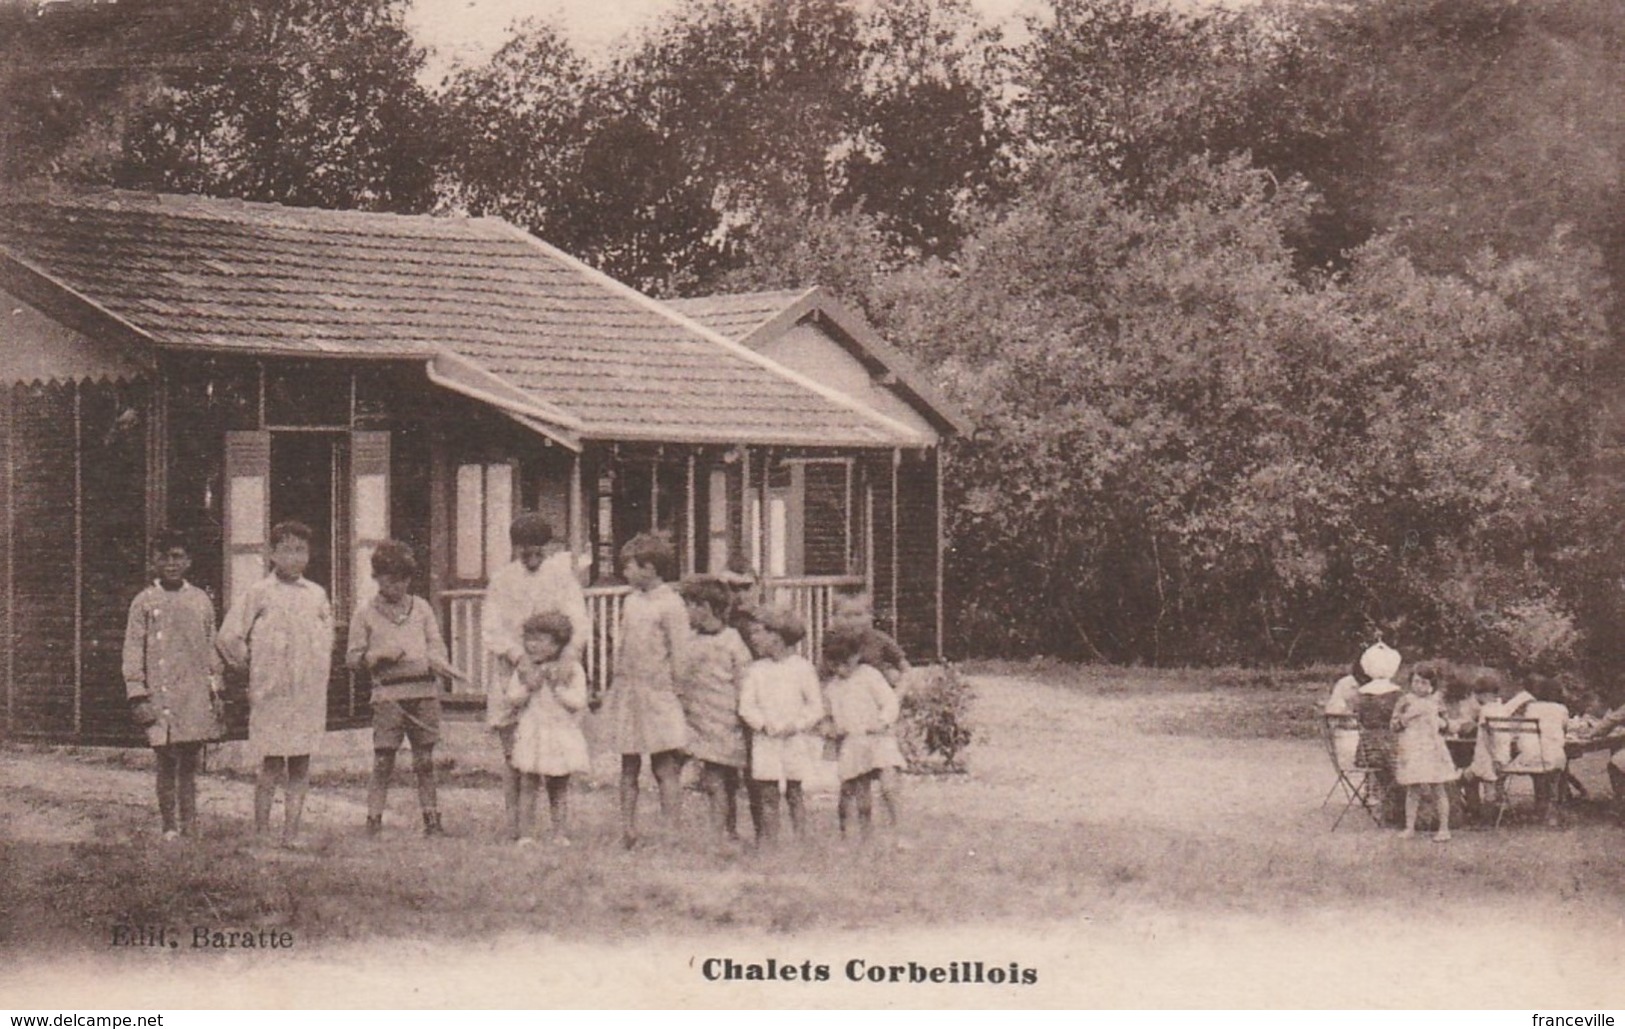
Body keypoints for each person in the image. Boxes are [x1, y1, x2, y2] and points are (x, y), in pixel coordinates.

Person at [217, 520, 334, 847]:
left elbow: (327, 639)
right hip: (271, 692)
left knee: (300, 761)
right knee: (270, 762)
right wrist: (246, 665)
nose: (295, 557)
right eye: (287, 550)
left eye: (301, 550)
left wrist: (315, 670)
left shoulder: (316, 594)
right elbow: (228, 636)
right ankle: (262, 832)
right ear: (272, 554)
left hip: (306, 693)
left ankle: (291, 834)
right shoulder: (259, 593)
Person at [481, 512, 590, 841]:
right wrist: (518, 658)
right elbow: (491, 628)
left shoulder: (561, 578)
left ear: (548, 549)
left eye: (538, 552)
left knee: (551, 755)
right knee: (514, 752)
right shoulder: (502, 580)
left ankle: (558, 828)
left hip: (552, 673)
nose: (531, 559)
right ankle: (517, 826)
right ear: (515, 549)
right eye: (524, 552)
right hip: (513, 671)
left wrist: (569, 656)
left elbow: (579, 623)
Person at [346, 540, 465, 838]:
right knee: (384, 760)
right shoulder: (365, 614)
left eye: (403, 579)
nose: (398, 585)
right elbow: (352, 659)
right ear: (377, 577)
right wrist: (377, 656)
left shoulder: (422, 608)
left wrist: (440, 664)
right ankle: (373, 821)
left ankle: (432, 820)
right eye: (390, 578)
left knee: (425, 760)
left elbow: (436, 647)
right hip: (388, 697)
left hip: (423, 693)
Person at [122, 528, 224, 840]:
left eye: (177, 556)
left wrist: (216, 690)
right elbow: (133, 649)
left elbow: (211, 648)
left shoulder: (200, 601)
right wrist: (137, 693)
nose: (170, 563)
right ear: (153, 561)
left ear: (188, 561)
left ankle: (189, 823)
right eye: (163, 557)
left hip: (192, 694)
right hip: (160, 694)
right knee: (165, 761)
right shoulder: (144, 602)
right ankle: (169, 825)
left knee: (189, 763)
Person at [602, 532, 690, 848]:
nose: (625, 574)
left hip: (658, 694)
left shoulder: (671, 604)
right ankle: (628, 829)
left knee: (664, 765)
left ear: (650, 568)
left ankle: (672, 832)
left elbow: (680, 654)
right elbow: (623, 646)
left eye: (630, 567)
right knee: (628, 764)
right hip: (629, 691)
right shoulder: (631, 601)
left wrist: (677, 692)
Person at [676, 576, 754, 841]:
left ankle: (722, 831)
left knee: (720, 779)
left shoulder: (732, 641)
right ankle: (723, 830)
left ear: (705, 608)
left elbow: (744, 680)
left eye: (688, 606)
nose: (684, 613)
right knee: (712, 779)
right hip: (698, 721)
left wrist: (745, 715)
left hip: (725, 723)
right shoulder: (690, 641)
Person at [738, 605, 824, 842]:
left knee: (795, 791)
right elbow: (746, 707)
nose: (753, 638)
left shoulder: (802, 668)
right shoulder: (756, 670)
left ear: (776, 636)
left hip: (794, 740)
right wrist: (763, 725)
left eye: (758, 632)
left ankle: (800, 840)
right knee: (768, 793)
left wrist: (796, 725)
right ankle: (771, 842)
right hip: (766, 740)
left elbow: (815, 707)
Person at [504, 612, 590, 847]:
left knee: (558, 785)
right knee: (528, 783)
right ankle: (526, 835)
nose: (533, 645)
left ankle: (559, 833)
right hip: (533, 731)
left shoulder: (571, 669)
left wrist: (558, 688)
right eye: (529, 639)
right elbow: (512, 698)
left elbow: (578, 701)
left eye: (540, 640)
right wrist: (528, 688)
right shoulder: (525, 669)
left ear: (558, 644)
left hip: (559, 733)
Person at [821, 624, 905, 839]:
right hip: (853, 742)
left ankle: (897, 830)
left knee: (888, 785)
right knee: (857, 793)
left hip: (878, 738)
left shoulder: (869, 676)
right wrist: (831, 728)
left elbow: (890, 703)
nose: (841, 670)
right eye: (834, 665)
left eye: (845, 663)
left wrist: (883, 721)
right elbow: (828, 718)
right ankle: (856, 834)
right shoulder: (832, 687)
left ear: (856, 656)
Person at [1391, 660, 1456, 841]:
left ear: (1432, 685)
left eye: (1424, 682)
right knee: (1413, 787)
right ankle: (1409, 827)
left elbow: (1448, 726)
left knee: (1438, 787)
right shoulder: (1405, 701)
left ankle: (1444, 828)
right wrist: (1407, 717)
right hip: (1413, 747)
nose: (1419, 686)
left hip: (1432, 747)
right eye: (1416, 681)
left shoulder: (1437, 702)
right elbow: (1393, 725)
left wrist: (1439, 722)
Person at [1353, 641, 1404, 827]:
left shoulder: (1361, 694)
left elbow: (1359, 718)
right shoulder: (1397, 695)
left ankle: (1386, 805)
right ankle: (1398, 809)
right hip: (1392, 748)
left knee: (1386, 772)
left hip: (1367, 750)